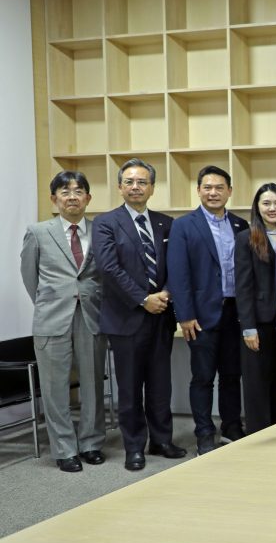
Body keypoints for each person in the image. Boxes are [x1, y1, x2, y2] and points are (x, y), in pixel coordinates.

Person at [93, 158, 186, 471]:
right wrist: (143, 298)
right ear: (120, 187)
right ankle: (134, 446)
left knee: (161, 384)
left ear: (152, 188)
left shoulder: (166, 223)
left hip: (161, 316)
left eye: (142, 182)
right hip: (126, 318)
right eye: (129, 182)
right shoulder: (106, 223)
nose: (136, 187)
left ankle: (162, 440)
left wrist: (166, 294)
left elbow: (177, 265)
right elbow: (109, 268)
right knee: (130, 387)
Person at [20, 171, 107, 472]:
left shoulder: (100, 230)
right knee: (55, 387)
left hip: (91, 316)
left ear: (88, 198)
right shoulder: (38, 231)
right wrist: (50, 301)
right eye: (65, 191)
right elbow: (29, 277)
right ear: (53, 198)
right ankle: (64, 448)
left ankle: (92, 443)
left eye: (78, 191)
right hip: (51, 318)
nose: (72, 196)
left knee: (93, 382)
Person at [167, 165, 249, 455]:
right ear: (199, 190)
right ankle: (203, 432)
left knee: (231, 374)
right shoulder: (184, 225)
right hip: (200, 316)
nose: (213, 193)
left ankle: (231, 427)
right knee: (202, 377)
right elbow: (178, 274)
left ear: (229, 191)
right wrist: (185, 315)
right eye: (207, 187)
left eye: (219, 188)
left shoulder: (240, 225)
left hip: (234, 313)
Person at [235, 183, 276, 434]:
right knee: (257, 385)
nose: (272, 208)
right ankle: (257, 437)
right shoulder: (246, 238)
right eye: (266, 203)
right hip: (258, 322)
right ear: (257, 207)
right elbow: (243, 286)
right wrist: (248, 327)